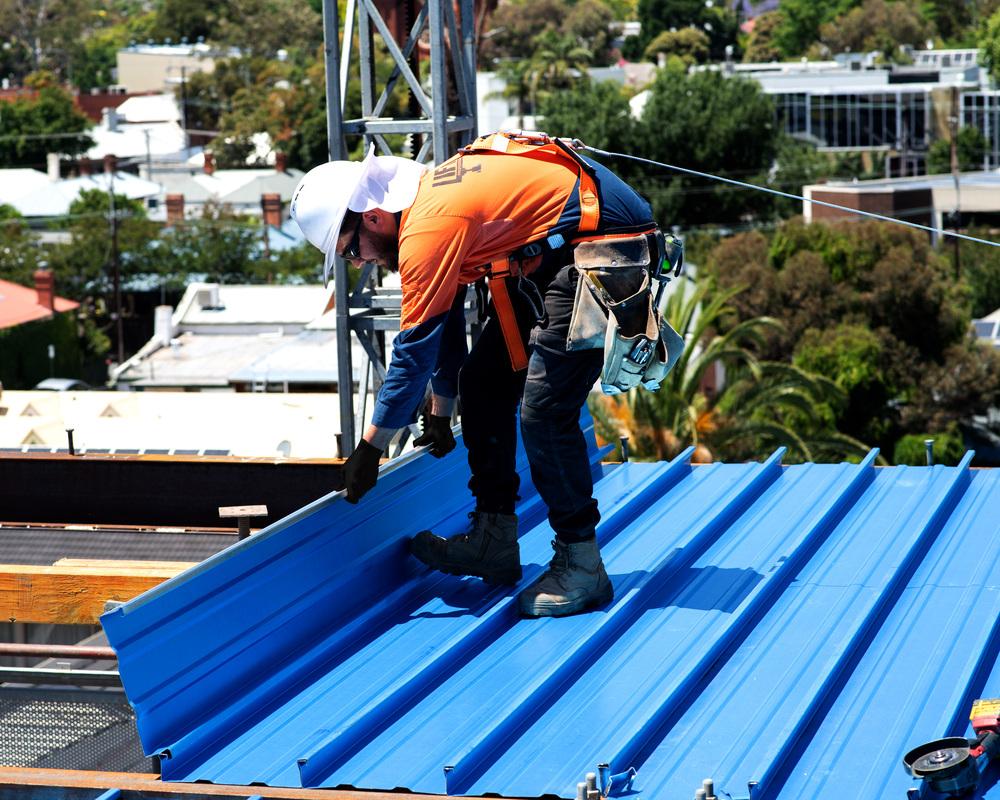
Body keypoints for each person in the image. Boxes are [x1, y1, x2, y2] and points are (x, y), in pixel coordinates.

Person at [291, 132, 661, 617]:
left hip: (600, 249)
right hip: (552, 254)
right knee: (483, 384)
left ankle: (582, 565)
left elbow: (413, 352)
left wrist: (370, 449)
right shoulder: (426, 205)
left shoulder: (427, 229)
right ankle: (495, 540)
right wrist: (442, 410)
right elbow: (440, 321)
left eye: (350, 250)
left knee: (544, 412)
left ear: (374, 216)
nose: (358, 262)